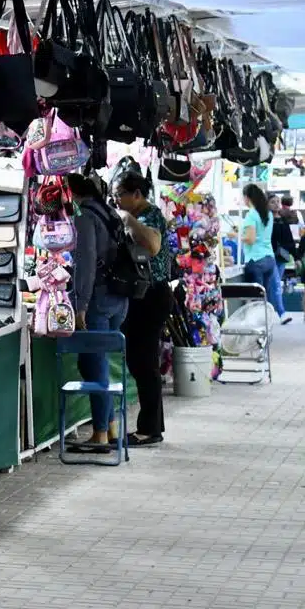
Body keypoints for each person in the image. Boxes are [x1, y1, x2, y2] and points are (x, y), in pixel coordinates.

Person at [66, 173, 128, 451]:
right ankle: (111, 428)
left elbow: (86, 265)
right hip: (118, 298)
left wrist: (80, 306)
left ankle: (100, 433)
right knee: (94, 362)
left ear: (73, 193)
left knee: (94, 364)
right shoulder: (109, 212)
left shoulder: (85, 217)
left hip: (98, 300)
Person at [112, 171, 172, 447]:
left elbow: (154, 246)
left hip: (152, 295)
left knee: (144, 361)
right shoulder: (137, 215)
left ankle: (149, 429)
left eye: (119, 194)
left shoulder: (151, 215)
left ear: (136, 194)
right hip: (140, 296)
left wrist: (128, 220)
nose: (116, 200)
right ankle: (152, 426)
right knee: (141, 361)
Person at [242, 184, 291, 324]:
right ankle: (267, 327)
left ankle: (258, 331)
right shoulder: (267, 214)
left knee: (256, 299)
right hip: (269, 258)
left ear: (247, 197)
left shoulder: (251, 214)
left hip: (255, 259)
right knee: (266, 296)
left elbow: (250, 239)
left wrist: (237, 235)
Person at [270, 193, 297, 303]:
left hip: (282, 255)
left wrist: (296, 256)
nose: (276, 204)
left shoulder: (283, 220)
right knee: (276, 283)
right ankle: (280, 312)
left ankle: (273, 309)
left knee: (276, 283)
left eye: (277, 201)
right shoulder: (265, 220)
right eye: (272, 202)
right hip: (269, 256)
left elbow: (289, 239)